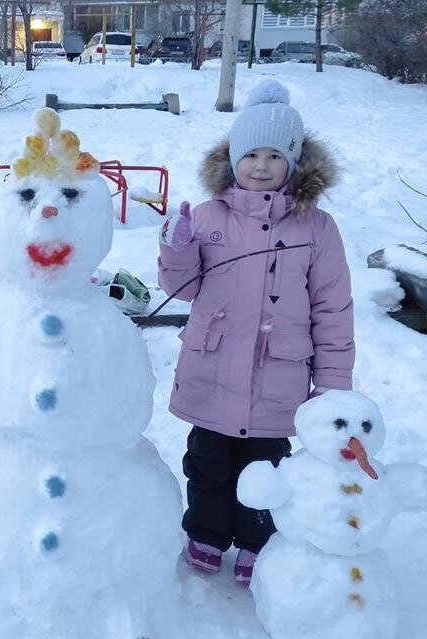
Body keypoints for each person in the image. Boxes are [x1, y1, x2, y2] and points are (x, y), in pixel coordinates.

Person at [157, 80, 354, 584]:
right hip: (212, 368)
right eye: (250, 154)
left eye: (273, 155)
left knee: (266, 470)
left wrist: (333, 383)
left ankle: (254, 545)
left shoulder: (317, 227)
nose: (260, 166)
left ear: (294, 161)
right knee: (207, 464)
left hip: (279, 377)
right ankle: (204, 534)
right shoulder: (207, 217)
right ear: (233, 157)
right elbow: (181, 289)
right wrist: (177, 248)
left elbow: (333, 306)